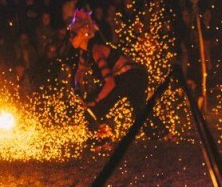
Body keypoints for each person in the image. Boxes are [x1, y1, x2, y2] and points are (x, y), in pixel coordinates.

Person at [66, 9, 170, 149]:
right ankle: (164, 135)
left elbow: (110, 83)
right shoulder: (84, 52)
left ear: (84, 33)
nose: (70, 38)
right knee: (139, 111)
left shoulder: (96, 50)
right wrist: (77, 86)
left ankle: (103, 140)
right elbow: (80, 71)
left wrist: (95, 101)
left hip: (131, 76)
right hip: (136, 74)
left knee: (96, 106)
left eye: (73, 34)